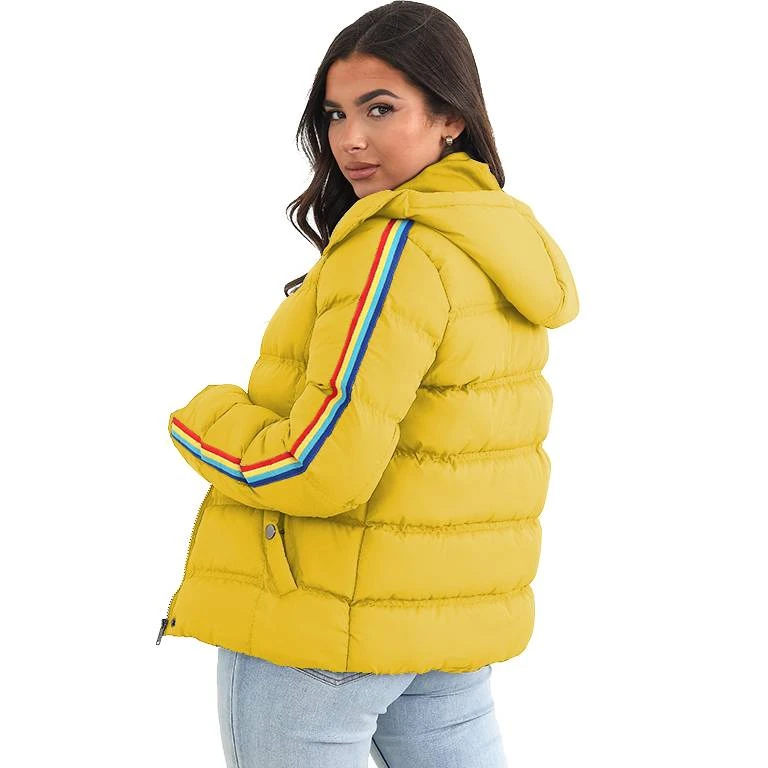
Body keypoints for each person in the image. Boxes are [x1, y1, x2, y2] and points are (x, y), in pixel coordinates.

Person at [156, 2, 579, 766]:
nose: (350, 138)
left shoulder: (394, 251)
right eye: (336, 113)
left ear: (449, 116)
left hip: (323, 628)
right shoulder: (492, 241)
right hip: (443, 625)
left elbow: (317, 464)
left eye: (380, 109)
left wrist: (203, 420)